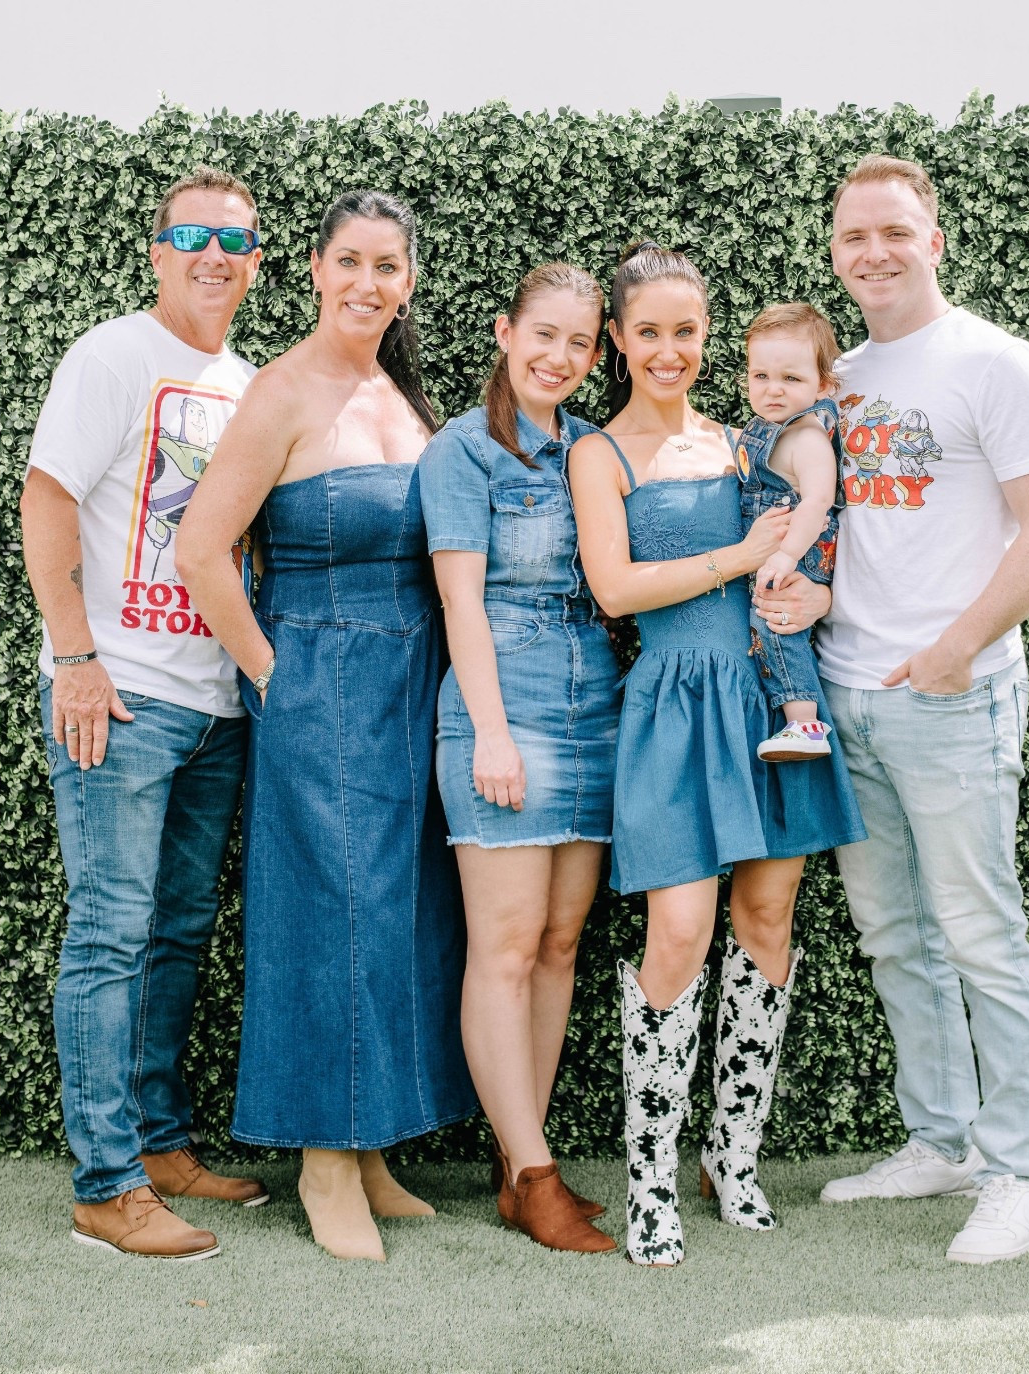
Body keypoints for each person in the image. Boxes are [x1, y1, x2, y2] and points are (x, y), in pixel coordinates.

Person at [176, 189, 476, 1264]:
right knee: (331, 919)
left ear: (408, 280)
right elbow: (201, 552)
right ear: (313, 268)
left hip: (414, 686)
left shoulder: (400, 392)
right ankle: (320, 1162)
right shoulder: (280, 391)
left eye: (386, 267)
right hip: (323, 685)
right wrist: (274, 679)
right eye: (348, 262)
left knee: (402, 916)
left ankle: (374, 1148)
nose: (367, 284)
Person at [569, 241, 866, 1266]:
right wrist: (735, 559)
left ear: (706, 336)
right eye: (646, 331)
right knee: (680, 932)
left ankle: (730, 1156)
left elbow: (812, 549)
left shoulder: (749, 443)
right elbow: (612, 590)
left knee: (769, 914)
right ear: (617, 337)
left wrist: (809, 590)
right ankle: (648, 1180)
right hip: (673, 704)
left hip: (771, 695)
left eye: (685, 331)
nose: (667, 349)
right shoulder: (596, 454)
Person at [811, 155, 1029, 1264]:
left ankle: (1020, 1175)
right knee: (893, 938)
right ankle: (942, 1141)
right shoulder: (844, 377)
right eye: (850, 237)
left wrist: (952, 651)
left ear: (933, 237)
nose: (870, 253)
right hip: (846, 696)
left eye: (891, 231)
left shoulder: (993, 365)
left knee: (980, 936)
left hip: (950, 698)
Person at [21, 166, 270, 1263]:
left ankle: (162, 1146)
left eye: (235, 239)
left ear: (256, 261)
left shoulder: (250, 380)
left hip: (211, 704)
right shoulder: (115, 353)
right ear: (156, 250)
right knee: (112, 933)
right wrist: (73, 657)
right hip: (118, 695)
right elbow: (49, 498)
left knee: (174, 933)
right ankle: (105, 1186)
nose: (214, 254)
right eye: (192, 235)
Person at [418, 263, 620, 1255]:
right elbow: (460, 602)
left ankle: (517, 1163)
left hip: (596, 712)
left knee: (556, 947)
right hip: (506, 711)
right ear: (504, 332)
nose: (559, 357)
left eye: (579, 344)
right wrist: (490, 732)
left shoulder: (592, 448)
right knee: (500, 948)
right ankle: (533, 1173)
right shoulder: (462, 450)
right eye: (543, 335)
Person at [737, 303, 846, 763]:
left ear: (823, 385)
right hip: (777, 547)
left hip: (799, 550)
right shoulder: (768, 429)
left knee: (776, 623)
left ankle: (804, 723)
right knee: (765, 626)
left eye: (791, 379)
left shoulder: (807, 438)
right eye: (761, 376)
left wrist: (785, 555)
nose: (773, 390)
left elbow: (819, 503)